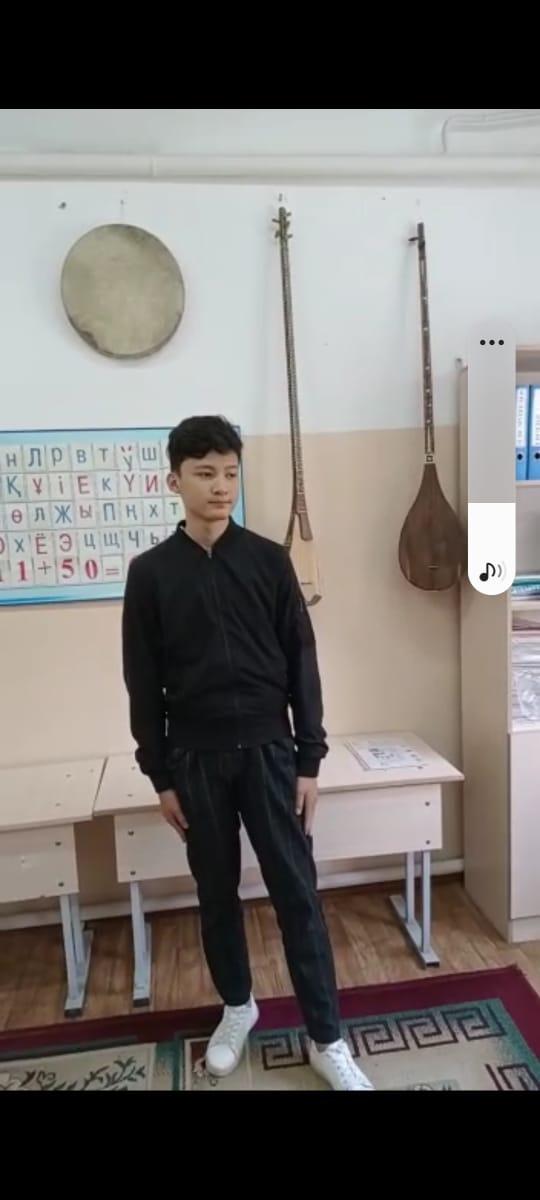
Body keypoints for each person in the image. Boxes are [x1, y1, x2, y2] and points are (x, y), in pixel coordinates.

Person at [122, 415, 373, 1091]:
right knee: (215, 894)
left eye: (231, 473)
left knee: (298, 895)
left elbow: (302, 661)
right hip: (196, 762)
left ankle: (327, 1038)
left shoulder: (268, 560)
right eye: (205, 473)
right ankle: (238, 1006)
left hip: (269, 753)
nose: (221, 486)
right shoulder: (150, 575)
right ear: (174, 481)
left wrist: (309, 760)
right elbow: (143, 681)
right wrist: (160, 776)